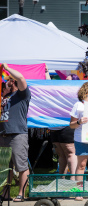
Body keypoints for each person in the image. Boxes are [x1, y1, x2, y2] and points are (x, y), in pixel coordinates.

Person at [0, 63, 30, 202]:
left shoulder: (22, 94)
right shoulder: (4, 97)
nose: (5, 83)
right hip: (3, 134)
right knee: (6, 168)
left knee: (21, 166)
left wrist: (6, 68)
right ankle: (5, 194)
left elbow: (22, 78)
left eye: (8, 81)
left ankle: (21, 194)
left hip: (17, 134)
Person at [50, 74, 79, 180]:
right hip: (55, 127)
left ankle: (73, 181)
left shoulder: (75, 93)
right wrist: (46, 73)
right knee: (62, 155)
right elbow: (49, 86)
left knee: (70, 154)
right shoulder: (60, 90)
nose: (65, 81)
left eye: (68, 79)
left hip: (67, 126)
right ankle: (61, 181)